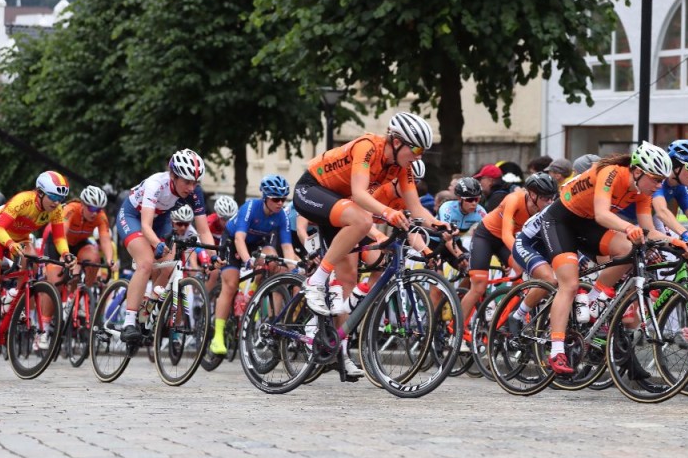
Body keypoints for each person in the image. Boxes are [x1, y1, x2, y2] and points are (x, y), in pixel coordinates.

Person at [293, 111, 445, 328]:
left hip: (339, 204)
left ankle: (339, 353)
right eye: (416, 149)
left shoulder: (402, 167)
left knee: (347, 281)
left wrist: (438, 225)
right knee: (363, 220)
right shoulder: (369, 147)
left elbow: (416, 207)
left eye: (423, 151)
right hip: (311, 189)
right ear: (397, 141)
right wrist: (388, 212)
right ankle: (315, 281)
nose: (419, 156)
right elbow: (360, 194)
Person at [539, 142, 677, 374]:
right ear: (638, 171)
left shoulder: (643, 191)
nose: (658, 184)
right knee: (570, 284)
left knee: (627, 250)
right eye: (655, 178)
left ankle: (595, 297)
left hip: (587, 224)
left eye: (662, 180)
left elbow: (648, 230)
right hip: (561, 221)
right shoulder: (611, 172)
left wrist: (676, 241)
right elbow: (603, 214)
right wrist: (627, 227)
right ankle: (556, 351)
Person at [116, 149, 217, 345]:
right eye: (186, 182)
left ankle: (148, 306)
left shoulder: (195, 193)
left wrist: (213, 255)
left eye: (195, 182)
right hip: (133, 215)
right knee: (145, 262)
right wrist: (156, 244)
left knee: (170, 265)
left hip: (161, 217)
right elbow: (145, 225)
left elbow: (204, 230)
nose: (191, 187)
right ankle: (129, 323)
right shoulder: (156, 184)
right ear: (173, 175)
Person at [459, 172, 557, 350]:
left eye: (552, 198)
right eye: (545, 198)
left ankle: (503, 317)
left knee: (521, 275)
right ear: (533, 195)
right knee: (479, 286)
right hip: (487, 236)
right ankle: (456, 331)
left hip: (510, 239)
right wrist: (521, 258)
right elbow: (506, 234)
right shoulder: (514, 199)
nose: (549, 201)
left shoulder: (546, 208)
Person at [0, 172, 76, 343]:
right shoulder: (23, 200)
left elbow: (59, 238)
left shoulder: (56, 209)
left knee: (33, 258)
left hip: (20, 239)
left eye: (61, 198)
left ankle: (14, 295)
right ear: (40, 193)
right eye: (53, 196)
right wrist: (9, 244)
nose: (57, 202)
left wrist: (66, 254)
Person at [209, 175, 296, 356]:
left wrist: (293, 267)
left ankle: (257, 293)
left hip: (257, 242)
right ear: (265, 197)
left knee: (274, 260)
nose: (280, 203)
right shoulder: (250, 207)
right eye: (276, 199)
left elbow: (287, 247)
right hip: (234, 241)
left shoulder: (281, 215)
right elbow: (240, 238)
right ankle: (217, 336)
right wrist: (247, 259)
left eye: (283, 198)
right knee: (231, 284)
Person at [39, 185, 117, 329]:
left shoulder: (100, 216)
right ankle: (44, 326)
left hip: (79, 243)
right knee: (55, 283)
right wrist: (64, 255)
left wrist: (110, 260)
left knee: (94, 258)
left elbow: (105, 239)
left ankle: (81, 294)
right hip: (59, 242)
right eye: (92, 208)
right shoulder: (71, 209)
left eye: (98, 209)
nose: (95, 213)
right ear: (83, 204)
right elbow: (61, 234)